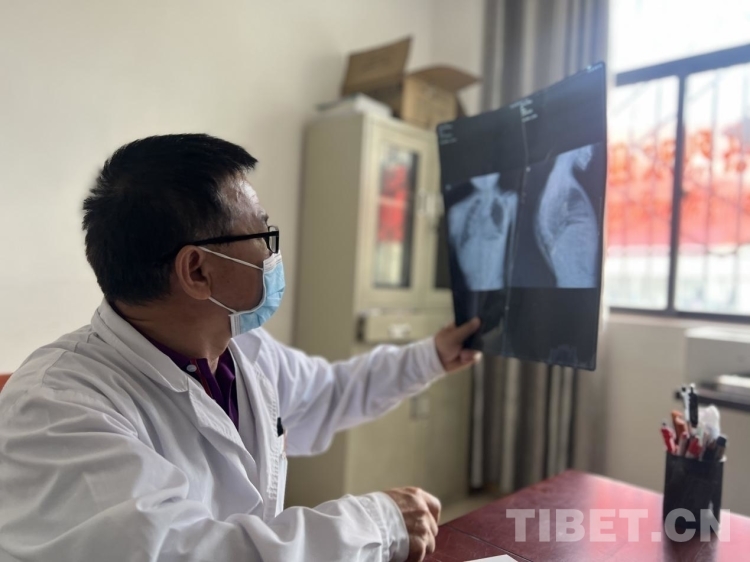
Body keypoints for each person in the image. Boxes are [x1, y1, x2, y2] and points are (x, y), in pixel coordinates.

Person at [0, 134, 481, 562]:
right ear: (197, 270)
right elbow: (183, 552)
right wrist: (375, 525)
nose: (273, 257)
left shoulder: (241, 350)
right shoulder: (56, 407)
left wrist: (433, 356)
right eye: (264, 235)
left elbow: (331, 391)